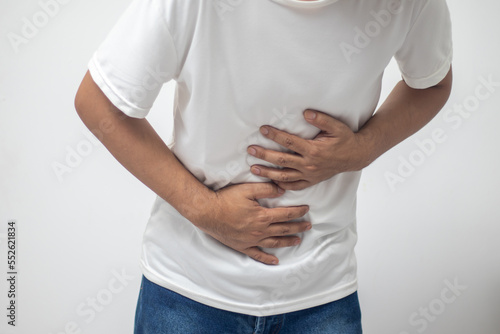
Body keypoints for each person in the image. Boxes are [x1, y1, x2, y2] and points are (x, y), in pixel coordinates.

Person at [74, 0, 453, 333]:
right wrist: (206, 211)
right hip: (187, 291)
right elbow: (99, 102)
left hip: (323, 294)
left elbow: (431, 83)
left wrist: (361, 149)